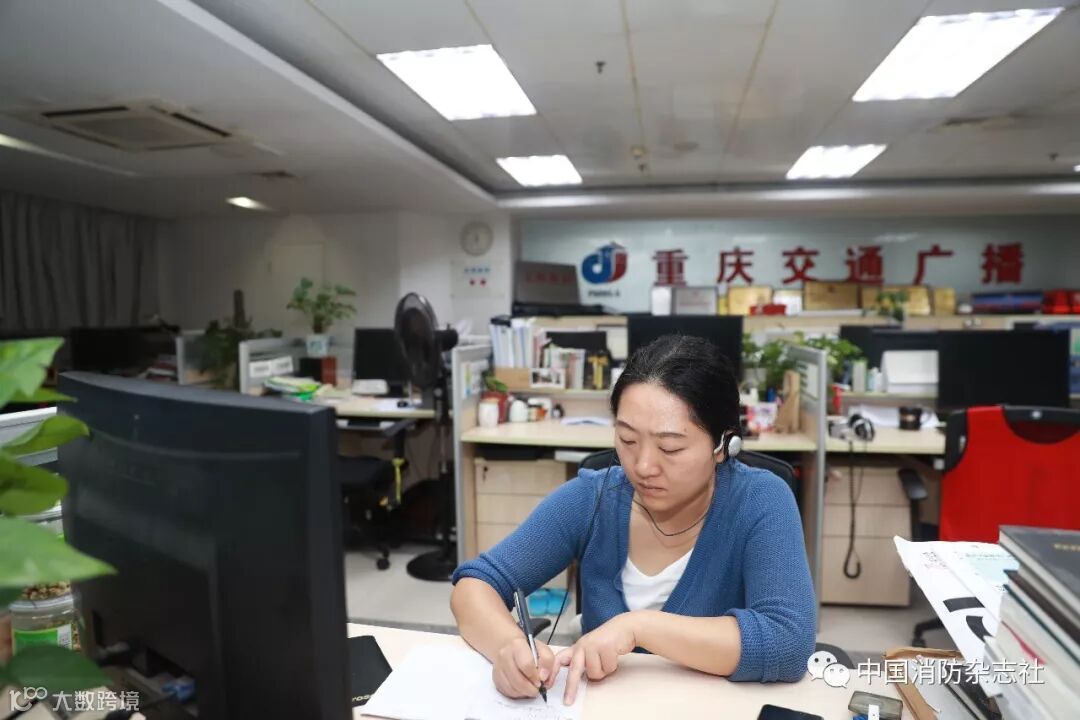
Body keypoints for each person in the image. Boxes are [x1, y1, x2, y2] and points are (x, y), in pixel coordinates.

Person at [450, 334, 816, 705]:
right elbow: (476, 584)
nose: (642, 466)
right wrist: (508, 647)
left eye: (670, 447)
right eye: (627, 440)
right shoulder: (593, 498)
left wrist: (639, 627)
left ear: (724, 445)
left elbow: (788, 641)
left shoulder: (760, 500)